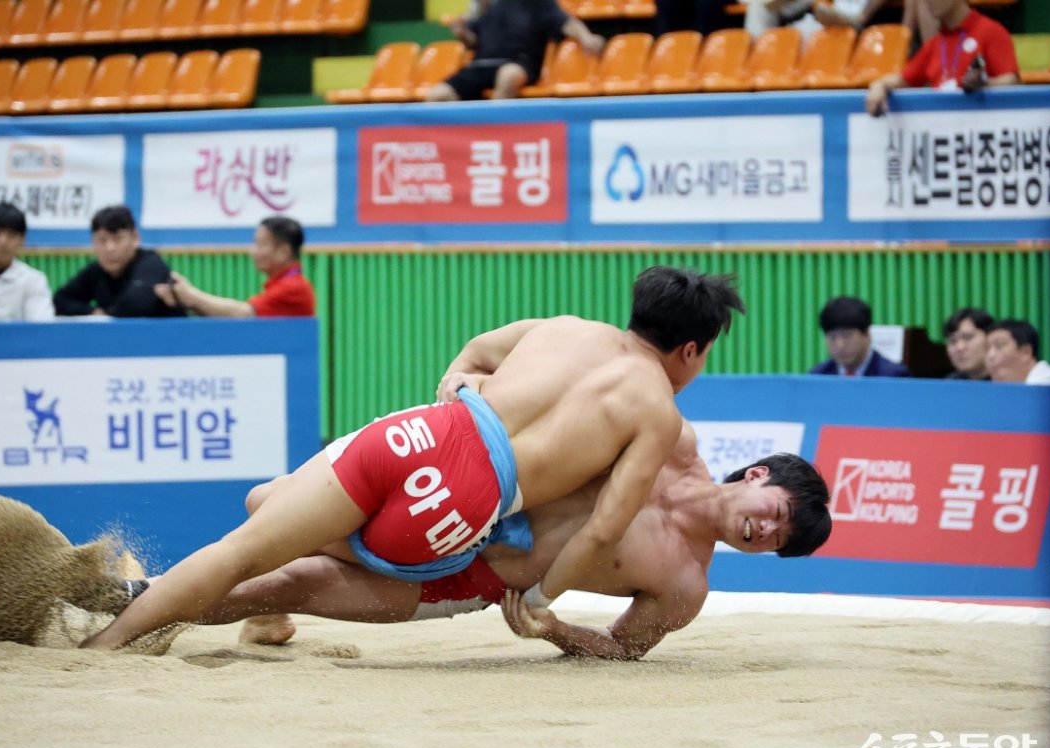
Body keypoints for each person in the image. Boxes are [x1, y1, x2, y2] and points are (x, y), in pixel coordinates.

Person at [81, 266, 746, 651]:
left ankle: (105, 645)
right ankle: (159, 618)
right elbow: (603, 527)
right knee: (287, 548)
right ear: (692, 349)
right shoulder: (659, 412)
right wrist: (541, 603)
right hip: (465, 496)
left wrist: (454, 378)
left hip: (423, 428)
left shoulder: (568, 328)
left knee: (250, 537)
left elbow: (479, 347)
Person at [196, 436, 832, 659]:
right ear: (757, 477)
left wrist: (551, 627)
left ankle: (141, 605)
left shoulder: (686, 586)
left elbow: (625, 649)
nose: (765, 533)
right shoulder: (667, 442)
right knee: (266, 504)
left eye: (777, 542)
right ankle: (255, 612)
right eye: (775, 515)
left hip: (470, 581)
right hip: (457, 506)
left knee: (295, 580)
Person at [425, 0, 605, 102]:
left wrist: (585, 36)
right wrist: (463, 33)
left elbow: (566, 22)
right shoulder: (486, 5)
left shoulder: (538, 3)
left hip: (520, 61)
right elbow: (473, 42)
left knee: (508, 76)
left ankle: (493, 132)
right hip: (481, 64)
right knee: (437, 95)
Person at [866, 0, 1019, 117]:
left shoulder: (991, 31)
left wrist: (985, 84)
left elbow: (1011, 81)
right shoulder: (934, 44)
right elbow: (901, 79)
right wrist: (879, 85)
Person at [155, 216, 314, 318]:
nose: (252, 251)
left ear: (283, 251)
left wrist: (192, 295)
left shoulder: (294, 288)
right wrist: (189, 301)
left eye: (260, 244)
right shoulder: (284, 285)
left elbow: (243, 315)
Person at [53, 206, 186, 319]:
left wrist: (105, 316)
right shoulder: (96, 270)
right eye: (102, 240)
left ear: (135, 238)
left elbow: (136, 304)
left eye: (118, 239)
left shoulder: (151, 263)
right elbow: (59, 300)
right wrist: (92, 313)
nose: (110, 248)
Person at [810, 296, 911, 377]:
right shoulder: (819, 375)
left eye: (847, 336)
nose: (840, 345)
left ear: (867, 334)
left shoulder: (893, 376)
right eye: (832, 337)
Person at [745, 0, 885, 41]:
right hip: (823, 10)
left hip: (851, 19)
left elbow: (861, 19)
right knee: (759, 7)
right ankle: (757, 56)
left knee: (820, 9)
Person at [985, 320, 1050, 385]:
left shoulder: (1047, 381)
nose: (990, 355)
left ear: (1026, 352)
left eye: (999, 346)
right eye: (987, 348)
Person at [942, 306, 993, 380]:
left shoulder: (1009, 382)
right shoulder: (948, 386)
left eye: (968, 337)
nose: (959, 347)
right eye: (952, 341)